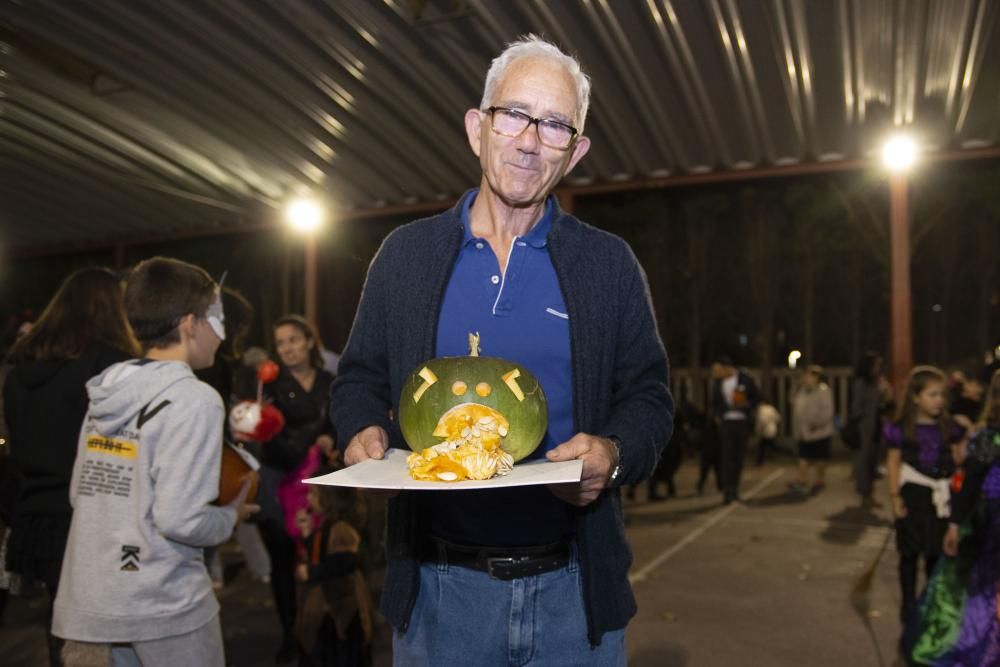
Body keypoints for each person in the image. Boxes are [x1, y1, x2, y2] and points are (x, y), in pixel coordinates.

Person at [330, 35, 673, 664]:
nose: (528, 140)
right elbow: (357, 380)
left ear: (575, 152)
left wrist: (615, 454)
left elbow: (650, 397)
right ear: (476, 128)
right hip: (439, 597)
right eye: (513, 114)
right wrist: (361, 430)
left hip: (574, 593)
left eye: (555, 125)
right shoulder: (405, 257)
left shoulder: (608, 265)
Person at [51, 257, 258, 666]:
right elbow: (181, 519)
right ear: (190, 324)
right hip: (165, 606)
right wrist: (231, 517)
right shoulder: (195, 398)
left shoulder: (107, 390)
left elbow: (81, 492)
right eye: (216, 319)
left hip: (93, 602)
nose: (222, 335)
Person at [2, 268, 140, 665]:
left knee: (62, 623)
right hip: (92, 518)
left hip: (36, 518)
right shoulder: (110, 366)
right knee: (103, 634)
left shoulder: (20, 371)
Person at [902, 368, 1000, 664]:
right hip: (993, 523)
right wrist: (955, 524)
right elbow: (970, 484)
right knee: (977, 592)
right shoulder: (991, 438)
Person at [260, 314, 337, 663]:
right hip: (280, 482)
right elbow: (267, 438)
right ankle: (289, 632)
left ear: (309, 341)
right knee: (282, 563)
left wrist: (331, 439)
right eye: (280, 343)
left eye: (293, 339)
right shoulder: (269, 389)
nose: (287, 348)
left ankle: (323, 629)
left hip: (319, 484)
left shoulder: (329, 381)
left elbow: (338, 424)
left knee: (323, 556)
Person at [884, 366, 965, 624]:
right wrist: (895, 497)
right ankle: (908, 604)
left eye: (941, 395)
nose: (938, 400)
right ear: (916, 397)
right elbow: (894, 463)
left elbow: (958, 460)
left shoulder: (950, 427)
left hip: (940, 497)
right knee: (909, 553)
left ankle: (930, 602)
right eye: (932, 394)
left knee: (935, 552)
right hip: (914, 495)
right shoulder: (900, 429)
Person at [295, 483, 373, 667]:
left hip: (339, 607)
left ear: (330, 498)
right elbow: (322, 553)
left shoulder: (341, 528)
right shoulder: (327, 524)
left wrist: (311, 573)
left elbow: (345, 561)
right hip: (330, 606)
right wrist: (307, 535)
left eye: (314, 493)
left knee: (339, 655)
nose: (309, 498)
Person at [709, 355, 761, 504]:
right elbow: (713, 403)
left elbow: (757, 397)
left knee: (739, 457)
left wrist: (747, 406)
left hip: (742, 422)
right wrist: (717, 416)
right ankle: (727, 491)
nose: (715, 373)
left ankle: (735, 489)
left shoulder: (746, 379)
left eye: (718, 370)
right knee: (727, 457)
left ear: (727, 368)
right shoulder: (717, 383)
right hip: (726, 423)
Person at [851, 351, 891, 508]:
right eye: (876, 364)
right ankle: (864, 494)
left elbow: (884, 403)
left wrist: (885, 392)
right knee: (864, 462)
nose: (878, 367)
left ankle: (870, 493)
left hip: (877, 426)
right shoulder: (862, 383)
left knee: (873, 461)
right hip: (865, 428)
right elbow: (857, 408)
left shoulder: (877, 382)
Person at [789, 365, 835, 494]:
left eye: (809, 376)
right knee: (803, 456)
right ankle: (802, 480)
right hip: (805, 431)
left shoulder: (824, 391)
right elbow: (793, 401)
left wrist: (817, 423)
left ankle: (819, 479)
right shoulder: (802, 391)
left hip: (820, 431)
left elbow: (828, 411)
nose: (806, 378)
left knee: (820, 458)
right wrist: (796, 385)